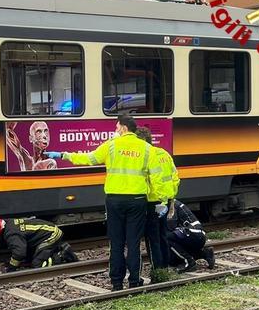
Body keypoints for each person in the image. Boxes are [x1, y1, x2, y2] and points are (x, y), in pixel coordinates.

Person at [44, 114, 168, 290]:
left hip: (114, 201)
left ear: (124, 128)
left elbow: (88, 158)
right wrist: (161, 200)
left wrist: (62, 154)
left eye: (117, 127)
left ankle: (116, 282)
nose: (116, 130)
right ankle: (134, 280)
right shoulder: (147, 149)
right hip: (137, 201)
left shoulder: (111, 146)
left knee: (116, 242)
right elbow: (156, 177)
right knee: (133, 243)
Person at [135, 127, 180, 277]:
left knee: (152, 237)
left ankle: (157, 269)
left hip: (151, 201)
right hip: (165, 201)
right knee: (163, 234)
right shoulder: (164, 154)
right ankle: (165, 265)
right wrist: (171, 197)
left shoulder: (146, 157)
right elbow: (175, 177)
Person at [0, 215, 78, 271]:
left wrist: (11, 267)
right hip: (46, 232)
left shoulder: (11, 234)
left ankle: (62, 255)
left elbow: (19, 252)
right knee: (30, 259)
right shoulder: (8, 224)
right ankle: (55, 249)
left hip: (52, 235)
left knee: (37, 265)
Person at [165, 199, 215, 272]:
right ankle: (205, 254)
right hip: (196, 235)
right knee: (174, 257)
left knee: (167, 237)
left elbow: (171, 226)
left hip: (194, 234)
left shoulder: (172, 205)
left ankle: (189, 262)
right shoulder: (174, 203)